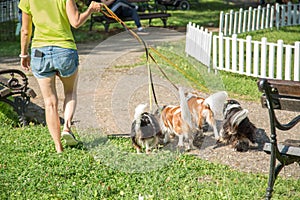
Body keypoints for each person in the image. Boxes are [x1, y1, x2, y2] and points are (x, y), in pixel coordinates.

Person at [18, 0, 103, 153]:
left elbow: (25, 30)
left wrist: (24, 53)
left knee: (50, 103)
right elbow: (76, 22)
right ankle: (67, 127)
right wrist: (90, 10)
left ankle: (58, 147)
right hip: (65, 50)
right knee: (70, 92)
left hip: (39, 52)